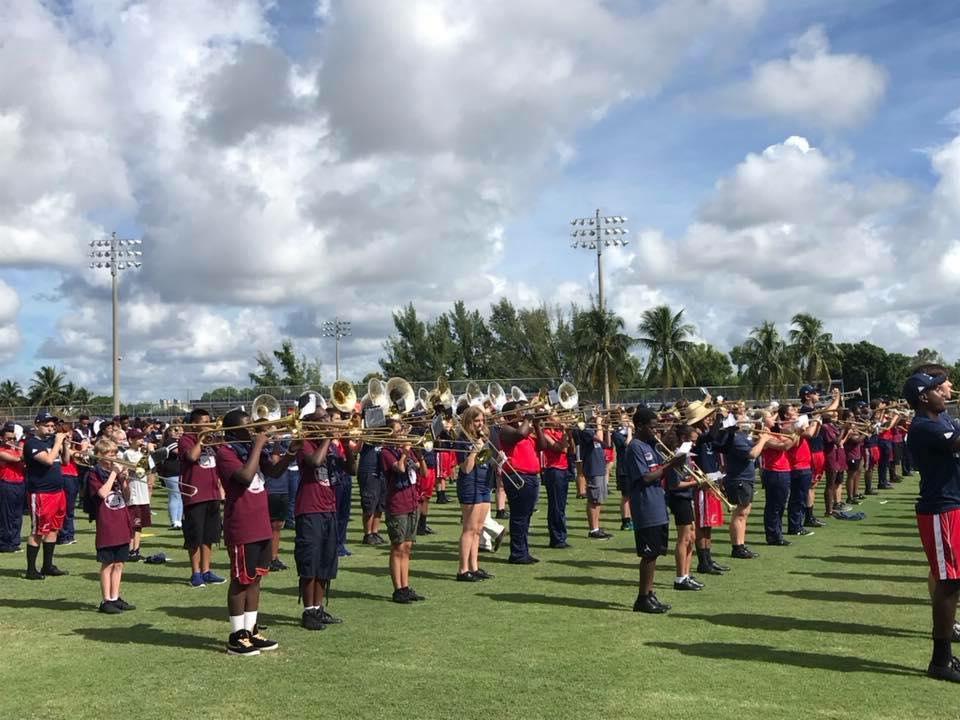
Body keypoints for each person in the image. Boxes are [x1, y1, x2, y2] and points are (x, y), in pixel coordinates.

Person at [215, 408, 295, 656]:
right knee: (241, 580)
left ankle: (251, 630)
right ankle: (237, 635)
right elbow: (245, 476)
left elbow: (272, 472)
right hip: (241, 524)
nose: (254, 429)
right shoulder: (226, 452)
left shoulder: (249, 449)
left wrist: (291, 454)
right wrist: (259, 444)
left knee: (256, 577)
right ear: (234, 430)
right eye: (248, 426)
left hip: (261, 523)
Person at [904, 372, 960, 682]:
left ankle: (946, 658)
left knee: (954, 581)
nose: (945, 392)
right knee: (948, 582)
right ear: (924, 397)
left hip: (952, 505)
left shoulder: (943, 421)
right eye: (938, 389)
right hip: (940, 509)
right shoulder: (923, 426)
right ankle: (940, 662)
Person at [623, 407, 686, 613]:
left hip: (657, 504)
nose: (655, 431)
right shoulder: (635, 448)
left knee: (656, 553)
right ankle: (642, 597)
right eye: (652, 427)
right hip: (645, 506)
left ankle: (649, 594)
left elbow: (658, 473)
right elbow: (646, 477)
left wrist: (672, 462)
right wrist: (671, 465)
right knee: (648, 554)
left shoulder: (650, 446)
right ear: (639, 426)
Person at [294, 411, 343, 630]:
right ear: (312, 425)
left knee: (326, 562)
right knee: (310, 562)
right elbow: (314, 462)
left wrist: (350, 447)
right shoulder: (304, 443)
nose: (328, 422)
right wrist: (327, 438)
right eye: (323, 420)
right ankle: (308, 611)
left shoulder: (331, 446)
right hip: (310, 509)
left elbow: (349, 469)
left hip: (329, 509)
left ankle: (318, 608)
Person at [380, 415, 428, 603]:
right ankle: (397, 589)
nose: (402, 434)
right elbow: (400, 469)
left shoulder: (405, 450)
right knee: (398, 546)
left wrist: (420, 454)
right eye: (398, 431)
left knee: (407, 547)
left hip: (412, 501)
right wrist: (406, 452)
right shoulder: (386, 452)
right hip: (397, 503)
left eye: (402, 430)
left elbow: (423, 472)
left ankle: (405, 586)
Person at [85, 437, 135, 614]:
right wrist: (114, 473)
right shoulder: (94, 474)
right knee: (107, 563)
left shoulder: (115, 473)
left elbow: (127, 497)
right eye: (109, 454)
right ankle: (106, 600)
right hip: (107, 523)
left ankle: (115, 597)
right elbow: (102, 493)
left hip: (122, 520)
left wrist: (124, 480)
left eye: (115, 453)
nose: (114, 456)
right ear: (99, 455)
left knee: (119, 563)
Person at [179, 408, 226, 588]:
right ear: (194, 424)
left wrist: (217, 441)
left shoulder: (213, 440)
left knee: (209, 536)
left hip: (213, 493)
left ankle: (206, 571)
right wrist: (203, 440)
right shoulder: (186, 439)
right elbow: (192, 457)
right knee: (195, 537)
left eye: (209, 421)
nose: (208, 424)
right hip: (194, 495)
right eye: (204, 422)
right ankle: (195, 573)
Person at [23, 411, 71, 579]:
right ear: (37, 425)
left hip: (58, 491)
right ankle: (31, 569)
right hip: (41, 493)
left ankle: (47, 565)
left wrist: (65, 444)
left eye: (52, 426)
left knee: (53, 529)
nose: (51, 429)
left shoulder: (53, 441)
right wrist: (58, 441)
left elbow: (65, 461)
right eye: (47, 425)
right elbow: (48, 460)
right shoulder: (32, 443)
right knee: (38, 530)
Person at [496, 401, 542, 564]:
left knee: (526, 516)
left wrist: (536, 425)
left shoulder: (526, 429)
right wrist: (528, 420)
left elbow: (541, 445)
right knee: (519, 516)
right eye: (518, 412)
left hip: (530, 477)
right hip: (518, 477)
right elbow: (519, 435)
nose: (521, 414)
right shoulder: (506, 430)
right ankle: (517, 553)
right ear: (508, 415)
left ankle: (523, 551)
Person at [719, 417, 771, 559]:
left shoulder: (742, 437)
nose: (748, 421)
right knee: (740, 513)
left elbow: (754, 448)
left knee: (744, 513)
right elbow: (752, 454)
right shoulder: (735, 439)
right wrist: (763, 440)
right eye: (743, 419)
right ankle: (737, 547)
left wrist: (761, 439)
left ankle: (741, 545)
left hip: (745, 478)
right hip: (739, 479)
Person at [455, 406, 494, 581]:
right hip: (470, 484)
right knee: (469, 529)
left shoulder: (482, 437)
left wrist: (496, 457)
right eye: (477, 421)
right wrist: (475, 450)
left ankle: (474, 566)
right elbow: (466, 468)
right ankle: (463, 570)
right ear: (469, 421)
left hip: (484, 483)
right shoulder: (462, 440)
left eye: (482, 420)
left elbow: (483, 461)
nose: (480, 424)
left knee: (478, 529)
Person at [662, 425, 702, 591]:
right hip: (679, 499)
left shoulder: (685, 455)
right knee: (684, 538)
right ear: (684, 439)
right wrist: (697, 482)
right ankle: (680, 577)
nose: (694, 445)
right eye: (692, 441)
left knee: (691, 538)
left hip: (686, 497)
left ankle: (686, 574)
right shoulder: (676, 456)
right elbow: (675, 484)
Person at [762, 409, 799, 546]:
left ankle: (777, 533)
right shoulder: (765, 435)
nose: (774, 418)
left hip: (782, 471)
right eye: (770, 416)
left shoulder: (776, 433)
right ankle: (773, 536)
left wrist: (795, 429)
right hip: (774, 472)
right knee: (774, 506)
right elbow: (784, 447)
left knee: (780, 505)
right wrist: (797, 431)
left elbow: (794, 442)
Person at [538, 409, 572, 549]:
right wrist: (565, 434)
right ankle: (557, 538)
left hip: (563, 469)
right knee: (556, 506)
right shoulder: (546, 433)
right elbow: (560, 449)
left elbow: (571, 450)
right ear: (548, 419)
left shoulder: (559, 431)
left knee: (561, 506)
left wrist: (569, 434)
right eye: (556, 416)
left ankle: (561, 536)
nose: (559, 418)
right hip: (553, 470)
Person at [578, 413, 612, 539]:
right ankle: (593, 530)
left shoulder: (595, 429)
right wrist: (599, 424)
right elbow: (599, 439)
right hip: (592, 468)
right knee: (593, 499)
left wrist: (607, 428)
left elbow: (607, 444)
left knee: (598, 500)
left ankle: (596, 527)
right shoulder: (585, 429)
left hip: (600, 467)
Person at [123, 429, 152, 562]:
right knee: (132, 524)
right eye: (138, 438)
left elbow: (149, 469)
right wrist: (148, 453)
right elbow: (139, 470)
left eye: (142, 438)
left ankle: (136, 549)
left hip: (143, 493)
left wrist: (148, 454)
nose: (141, 441)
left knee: (140, 525)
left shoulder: (141, 453)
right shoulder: (128, 453)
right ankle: (129, 550)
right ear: (130, 440)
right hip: (134, 493)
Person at [0, 423, 26, 553]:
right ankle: (5, 543)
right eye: (8, 438)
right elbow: (16, 459)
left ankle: (15, 542)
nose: (11, 441)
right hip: (7, 484)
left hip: (20, 484)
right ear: (2, 438)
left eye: (13, 439)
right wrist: (23, 447)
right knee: (7, 515)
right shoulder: (1, 451)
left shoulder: (16, 449)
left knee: (18, 515)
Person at [57, 420, 81, 546]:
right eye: (66, 432)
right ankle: (64, 535)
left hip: (74, 476)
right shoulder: (59, 445)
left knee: (70, 509)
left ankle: (69, 534)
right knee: (65, 508)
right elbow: (74, 455)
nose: (70, 434)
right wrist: (84, 448)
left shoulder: (72, 445)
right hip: (65, 476)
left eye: (70, 431)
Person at [155, 423, 183, 529]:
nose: (178, 432)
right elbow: (178, 451)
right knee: (174, 495)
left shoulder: (178, 441)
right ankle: (174, 520)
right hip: (172, 471)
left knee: (180, 496)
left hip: (180, 471)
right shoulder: (169, 441)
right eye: (175, 430)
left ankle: (179, 520)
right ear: (169, 432)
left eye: (180, 430)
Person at [611, 410, 634, 531]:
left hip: (632, 467)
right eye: (624, 420)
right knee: (626, 496)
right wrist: (630, 431)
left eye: (627, 420)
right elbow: (627, 444)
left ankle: (630, 518)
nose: (626, 422)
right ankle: (625, 521)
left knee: (631, 495)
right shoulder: (616, 434)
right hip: (623, 468)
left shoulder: (629, 433)